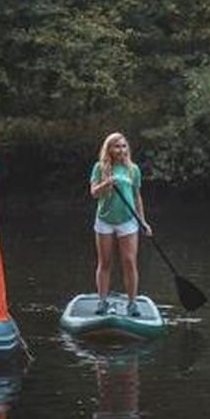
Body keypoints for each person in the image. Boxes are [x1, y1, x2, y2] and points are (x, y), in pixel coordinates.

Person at [89, 132, 152, 316]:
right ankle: (102, 302)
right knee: (105, 262)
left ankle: (132, 303)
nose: (121, 150)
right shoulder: (99, 168)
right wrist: (106, 184)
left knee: (129, 262)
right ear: (109, 148)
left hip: (128, 221)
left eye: (124, 146)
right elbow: (93, 193)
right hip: (105, 220)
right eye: (117, 146)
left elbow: (137, 197)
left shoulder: (133, 170)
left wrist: (143, 221)